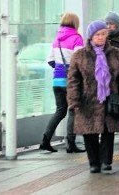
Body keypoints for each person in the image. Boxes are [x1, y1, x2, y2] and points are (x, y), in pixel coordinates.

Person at [67, 20, 119, 173]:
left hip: (111, 99)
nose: (101, 37)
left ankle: (106, 162)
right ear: (90, 37)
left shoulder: (116, 54)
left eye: (103, 34)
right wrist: (74, 100)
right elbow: (73, 80)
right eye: (97, 35)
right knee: (90, 133)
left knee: (108, 131)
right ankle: (94, 163)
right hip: (87, 100)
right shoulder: (79, 56)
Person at [40, 12, 86, 153]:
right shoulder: (77, 39)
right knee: (73, 111)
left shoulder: (57, 39)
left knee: (60, 111)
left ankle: (45, 141)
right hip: (71, 81)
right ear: (75, 23)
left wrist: (60, 68)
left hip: (57, 80)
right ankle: (70, 144)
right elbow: (80, 61)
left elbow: (50, 60)